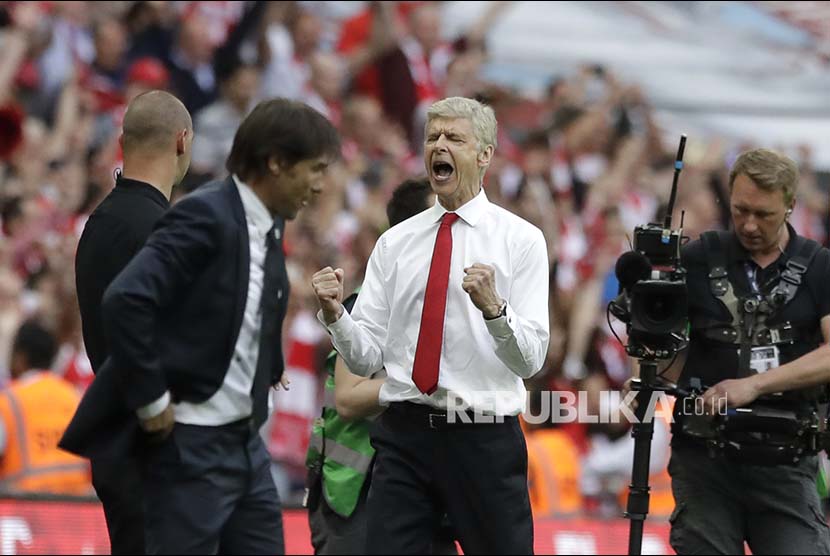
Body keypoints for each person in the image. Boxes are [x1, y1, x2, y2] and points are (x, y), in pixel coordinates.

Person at [64, 98, 340, 555]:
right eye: (313, 169)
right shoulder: (198, 216)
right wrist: (153, 403)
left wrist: (267, 361)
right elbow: (128, 303)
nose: (320, 184)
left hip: (234, 443)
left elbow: (235, 306)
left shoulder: (259, 225)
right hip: (175, 444)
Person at [312, 96, 550, 554]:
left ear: (484, 155)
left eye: (454, 138)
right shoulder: (395, 242)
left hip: (483, 435)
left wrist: (495, 310)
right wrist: (335, 315)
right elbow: (365, 358)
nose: (439, 145)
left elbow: (531, 361)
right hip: (406, 435)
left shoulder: (521, 241)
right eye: (433, 137)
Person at [662, 148, 830, 554]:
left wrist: (753, 386)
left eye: (764, 214)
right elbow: (660, 348)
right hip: (706, 459)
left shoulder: (820, 266)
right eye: (740, 210)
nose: (749, 225)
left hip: (785, 461)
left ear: (790, 205)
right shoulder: (699, 257)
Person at [307, 177, 456, 555]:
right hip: (354, 497)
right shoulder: (368, 306)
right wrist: (423, 384)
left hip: (425, 494)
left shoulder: (446, 312)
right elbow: (348, 397)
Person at [74, 89, 192, 555]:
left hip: (117, 441)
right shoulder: (162, 232)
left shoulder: (98, 224)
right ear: (182, 142)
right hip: (155, 449)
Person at [0, 320, 91, 496]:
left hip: (23, 512)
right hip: (79, 511)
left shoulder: (8, 401)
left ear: (21, 357)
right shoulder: (75, 396)